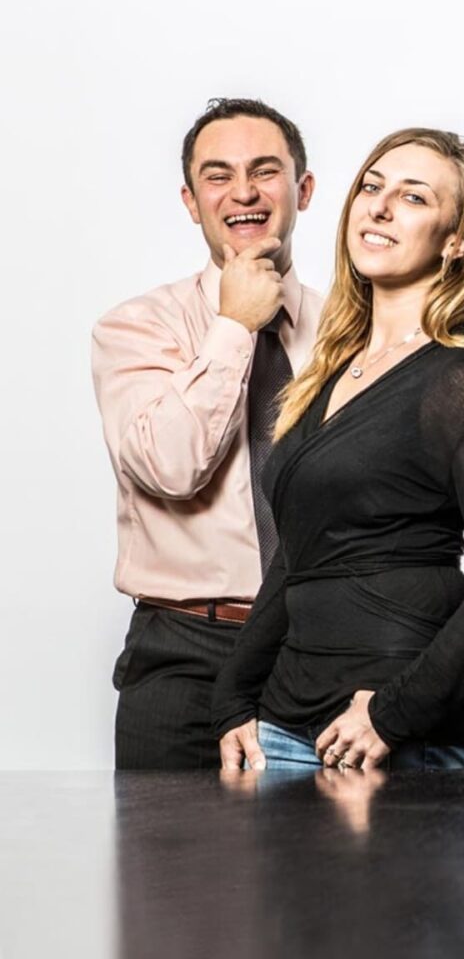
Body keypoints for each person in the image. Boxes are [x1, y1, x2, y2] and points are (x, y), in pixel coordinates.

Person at [212, 128, 464, 770]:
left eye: (414, 197)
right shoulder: (328, 373)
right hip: (284, 724)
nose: (380, 207)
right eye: (372, 186)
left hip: (386, 732)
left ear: (456, 241)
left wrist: (397, 713)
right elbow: (298, 557)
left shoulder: (462, 377)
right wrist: (233, 698)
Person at [92, 98, 322, 768]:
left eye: (265, 171)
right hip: (185, 654)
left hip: (316, 646)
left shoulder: (351, 330)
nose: (243, 192)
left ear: (302, 190)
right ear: (192, 201)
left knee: (327, 871)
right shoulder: (135, 328)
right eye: (218, 176)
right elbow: (169, 465)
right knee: (174, 872)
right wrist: (237, 326)